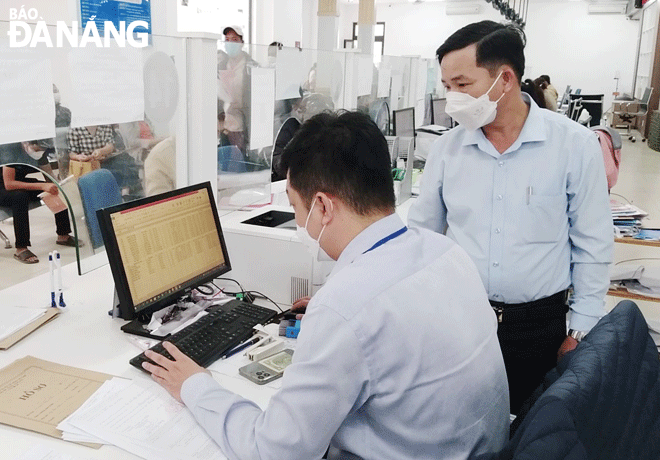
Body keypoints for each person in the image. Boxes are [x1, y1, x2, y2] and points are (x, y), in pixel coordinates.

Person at [142, 111, 509, 460]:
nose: (299, 221)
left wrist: (195, 386)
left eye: (295, 207)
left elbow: (274, 451)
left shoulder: (345, 307)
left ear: (322, 206)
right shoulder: (445, 251)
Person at [408, 20, 613, 415]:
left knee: (532, 431)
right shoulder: (448, 150)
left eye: (462, 85)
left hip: (540, 327)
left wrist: (579, 331)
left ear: (504, 80)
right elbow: (420, 236)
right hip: (463, 319)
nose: (452, 99)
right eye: (447, 87)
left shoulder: (573, 146)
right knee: (463, 423)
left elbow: (593, 243)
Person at [0, 161, 79, 264]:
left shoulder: (39, 153)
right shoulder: (11, 151)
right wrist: (42, 186)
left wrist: (52, 185)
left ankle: (63, 235)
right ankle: (21, 248)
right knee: (20, 197)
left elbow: (47, 176)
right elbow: (9, 184)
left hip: (18, 182)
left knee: (51, 189)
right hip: (4, 186)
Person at [217, 25, 257, 154]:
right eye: (227, 40)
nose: (230, 43)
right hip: (224, 126)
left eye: (234, 39)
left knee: (240, 162)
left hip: (242, 127)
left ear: (242, 43)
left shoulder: (251, 67)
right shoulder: (221, 66)